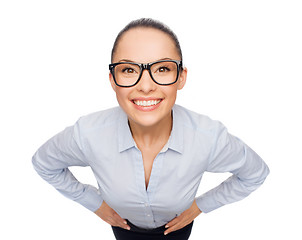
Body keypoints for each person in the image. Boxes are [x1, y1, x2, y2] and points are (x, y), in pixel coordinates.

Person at [32, 18, 270, 240]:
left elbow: (254, 173)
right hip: (123, 229)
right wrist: (94, 204)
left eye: (162, 69)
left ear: (181, 77)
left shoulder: (209, 138)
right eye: (128, 70)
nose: (146, 86)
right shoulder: (87, 134)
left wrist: (200, 207)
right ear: (113, 79)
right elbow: (44, 163)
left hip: (177, 230)